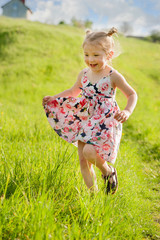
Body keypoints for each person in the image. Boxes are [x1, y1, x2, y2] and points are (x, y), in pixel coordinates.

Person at [42, 27, 137, 194]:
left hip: (104, 120)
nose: (90, 59)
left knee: (90, 152)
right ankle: (93, 195)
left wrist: (127, 111)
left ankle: (107, 171)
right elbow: (73, 92)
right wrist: (54, 98)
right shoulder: (84, 74)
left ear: (109, 55)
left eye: (95, 55)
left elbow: (131, 94)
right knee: (82, 160)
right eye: (86, 55)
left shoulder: (113, 76)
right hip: (85, 118)